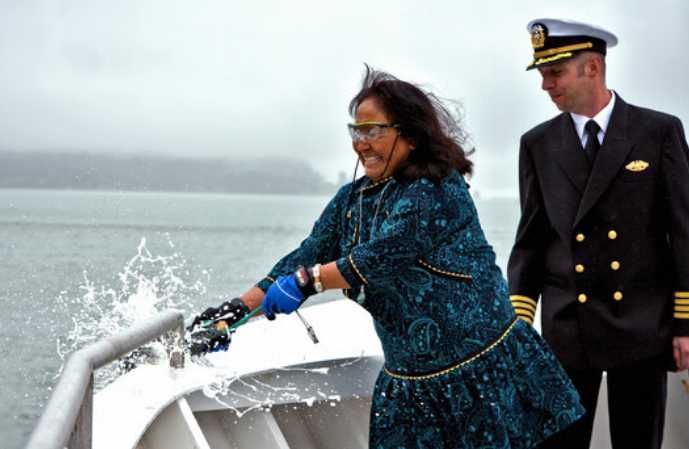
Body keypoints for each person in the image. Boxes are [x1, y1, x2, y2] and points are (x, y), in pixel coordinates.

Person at [193, 66, 584, 448]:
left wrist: (306, 282)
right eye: (355, 131)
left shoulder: (438, 188)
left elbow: (380, 256)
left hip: (486, 380)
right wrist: (234, 312)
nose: (360, 142)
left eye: (372, 131)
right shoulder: (351, 201)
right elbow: (305, 256)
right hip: (410, 393)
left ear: (411, 135)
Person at [507, 18, 689, 449]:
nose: (546, 86)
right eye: (543, 75)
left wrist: (685, 322)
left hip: (642, 326)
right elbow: (531, 240)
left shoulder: (658, 131)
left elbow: (683, 233)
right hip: (568, 329)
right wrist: (519, 324)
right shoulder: (538, 143)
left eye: (555, 73)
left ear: (592, 67)